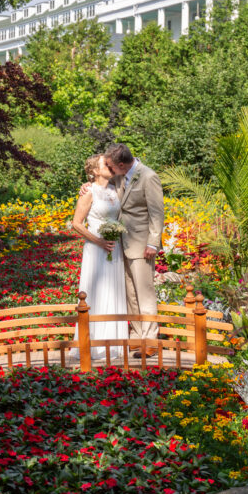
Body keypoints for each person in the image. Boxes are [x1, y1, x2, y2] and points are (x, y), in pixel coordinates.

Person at [80, 144, 164, 358]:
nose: (108, 168)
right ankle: (136, 337)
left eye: (110, 165)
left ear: (120, 165)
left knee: (144, 294)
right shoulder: (119, 176)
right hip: (121, 245)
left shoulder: (148, 177)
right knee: (131, 296)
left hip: (142, 245)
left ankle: (150, 341)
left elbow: (157, 213)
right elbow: (98, 186)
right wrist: (85, 185)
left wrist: (153, 243)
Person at [71, 153, 128, 359]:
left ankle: (114, 344)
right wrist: (100, 242)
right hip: (97, 249)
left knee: (114, 292)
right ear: (95, 171)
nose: (110, 166)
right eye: (106, 163)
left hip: (115, 247)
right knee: (96, 292)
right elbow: (77, 223)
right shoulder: (88, 192)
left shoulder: (116, 189)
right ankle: (92, 345)